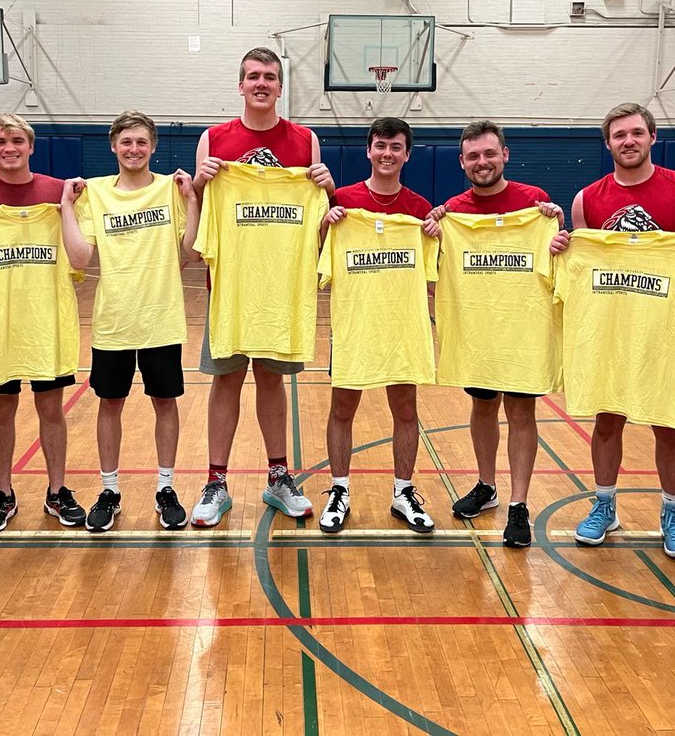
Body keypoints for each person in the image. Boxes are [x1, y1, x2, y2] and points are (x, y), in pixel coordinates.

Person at [550, 102, 675, 560]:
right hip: (609, 329)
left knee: (668, 424)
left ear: (652, 137)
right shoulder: (587, 199)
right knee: (607, 421)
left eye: (636, 133)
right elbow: (585, 265)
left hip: (663, 332)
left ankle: (673, 512)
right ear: (607, 144)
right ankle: (604, 504)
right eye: (619, 135)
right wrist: (563, 248)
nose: (628, 141)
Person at [190, 47, 335, 527]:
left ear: (279, 86)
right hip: (230, 287)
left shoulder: (306, 140)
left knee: (272, 380)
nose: (261, 83)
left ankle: (278, 477)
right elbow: (199, 222)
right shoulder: (213, 139)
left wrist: (327, 189)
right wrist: (199, 185)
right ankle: (216, 482)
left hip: (280, 288)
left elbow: (319, 227)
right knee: (226, 380)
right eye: (253, 76)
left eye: (269, 77)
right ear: (240, 85)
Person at [61, 112, 201, 532]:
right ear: (113, 146)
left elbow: (192, 252)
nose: (134, 149)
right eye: (126, 142)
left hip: (161, 318)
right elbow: (79, 259)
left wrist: (192, 201)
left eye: (141, 142)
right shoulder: (94, 193)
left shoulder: (171, 190)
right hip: (114, 321)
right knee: (110, 404)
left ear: (153, 146)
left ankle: (166, 488)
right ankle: (109, 491)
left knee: (165, 403)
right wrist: (66, 206)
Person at [429, 120, 562, 548]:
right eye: (473, 156)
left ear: (505, 154)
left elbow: (558, 256)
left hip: (523, 330)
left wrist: (555, 227)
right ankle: (486, 486)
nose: (482, 162)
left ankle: (519, 504)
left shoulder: (535, 203)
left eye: (489, 154)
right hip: (478, 330)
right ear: (462, 162)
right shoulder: (453, 211)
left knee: (522, 413)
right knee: (483, 407)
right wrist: (435, 229)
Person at [0, 113, 84, 533]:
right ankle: (3, 493)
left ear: (31, 146)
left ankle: (57, 490)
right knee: (1, 410)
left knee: (51, 408)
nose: (9, 148)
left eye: (17, 140)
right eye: (0, 141)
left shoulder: (57, 192)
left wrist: (68, 207)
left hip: (47, 321)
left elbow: (78, 253)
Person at [319, 117, 439, 534]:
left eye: (396, 147)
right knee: (342, 409)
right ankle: (339, 490)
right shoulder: (343, 201)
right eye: (381, 146)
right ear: (369, 150)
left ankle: (403, 492)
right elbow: (318, 257)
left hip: (402, 327)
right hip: (354, 324)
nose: (387, 154)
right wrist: (326, 226)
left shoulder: (420, 209)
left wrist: (437, 233)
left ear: (407, 155)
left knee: (405, 411)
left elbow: (434, 277)